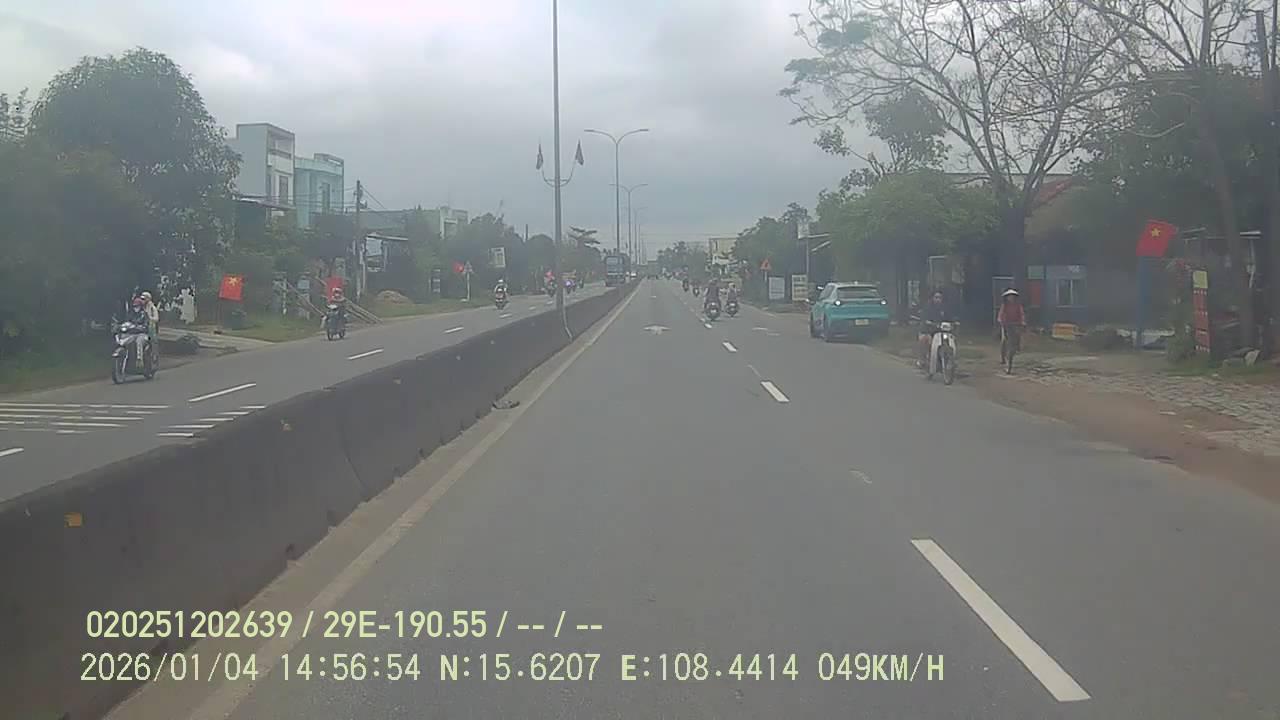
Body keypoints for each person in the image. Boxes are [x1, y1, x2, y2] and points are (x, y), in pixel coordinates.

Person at [918, 290, 948, 368]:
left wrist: (955, 321)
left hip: (940, 331)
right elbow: (923, 318)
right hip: (927, 330)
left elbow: (949, 317)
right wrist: (928, 322)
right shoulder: (927, 307)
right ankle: (922, 360)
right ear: (932, 298)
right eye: (936, 297)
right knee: (925, 339)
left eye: (940, 298)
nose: (938, 299)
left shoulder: (945, 307)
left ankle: (948, 360)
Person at [997, 288, 1026, 366]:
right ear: (1006, 297)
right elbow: (1001, 314)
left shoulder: (1018, 305)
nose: (1011, 298)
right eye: (1009, 296)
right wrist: (1001, 321)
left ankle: (1017, 348)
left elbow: (1021, 314)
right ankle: (1003, 357)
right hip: (1006, 324)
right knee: (1004, 340)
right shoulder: (1004, 305)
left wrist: (1022, 321)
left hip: (1015, 323)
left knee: (1017, 335)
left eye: (1012, 296)